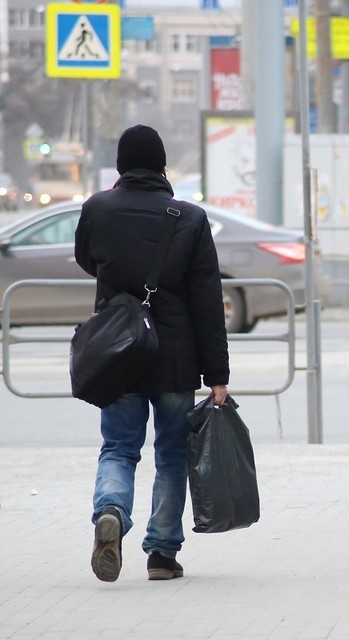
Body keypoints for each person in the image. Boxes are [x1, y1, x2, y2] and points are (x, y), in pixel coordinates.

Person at [75, 124, 230, 583]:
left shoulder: (98, 208)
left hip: (117, 352)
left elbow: (88, 260)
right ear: (162, 165)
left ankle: (111, 511)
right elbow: (207, 300)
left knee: (119, 448)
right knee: (172, 455)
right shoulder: (190, 218)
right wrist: (217, 374)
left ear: (120, 164)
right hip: (175, 358)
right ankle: (162, 553)